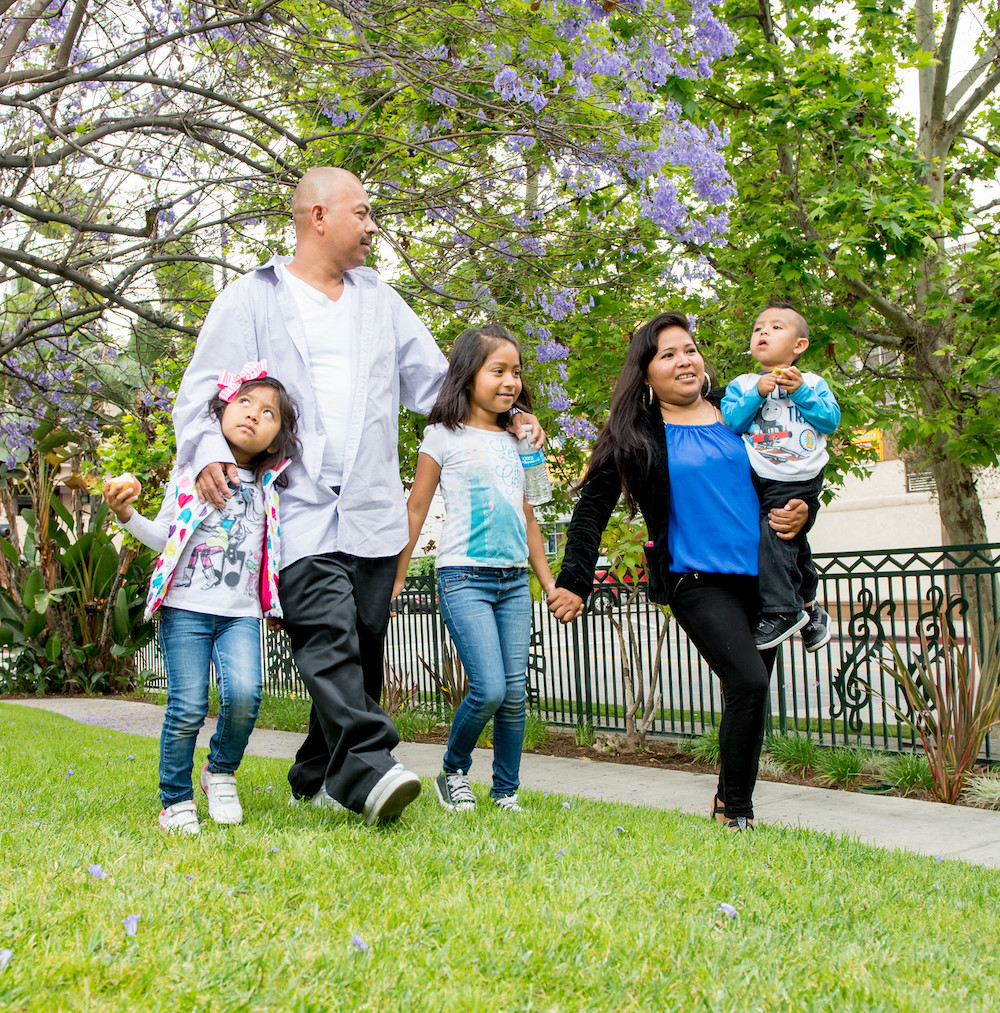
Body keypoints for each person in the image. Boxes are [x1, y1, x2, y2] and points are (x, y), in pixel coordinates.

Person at [171, 166, 544, 825]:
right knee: (327, 637)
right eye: (363, 213)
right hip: (293, 508)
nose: (373, 227)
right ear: (318, 215)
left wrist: (509, 415)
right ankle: (372, 763)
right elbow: (200, 395)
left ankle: (316, 773)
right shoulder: (249, 299)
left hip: (372, 512)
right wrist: (207, 454)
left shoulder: (382, 301)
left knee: (362, 649)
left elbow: (435, 387)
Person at [547, 312, 808, 832]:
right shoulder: (636, 432)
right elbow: (591, 510)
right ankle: (739, 813)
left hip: (764, 579)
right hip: (696, 580)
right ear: (646, 375)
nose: (684, 360)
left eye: (689, 349)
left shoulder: (742, 410)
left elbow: (791, 472)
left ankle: (725, 800)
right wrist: (574, 582)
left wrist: (803, 509)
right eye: (667, 355)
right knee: (748, 683)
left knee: (750, 696)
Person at [103, 364, 300, 835]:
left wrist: (277, 603)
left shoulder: (272, 489)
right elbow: (166, 538)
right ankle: (174, 800)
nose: (253, 414)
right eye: (245, 403)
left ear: (276, 440)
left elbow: (276, 550)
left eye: (268, 412)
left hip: (239, 615)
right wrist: (127, 514)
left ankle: (220, 770)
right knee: (188, 705)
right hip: (185, 608)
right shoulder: (191, 471)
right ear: (223, 412)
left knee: (247, 696)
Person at [394, 324, 557, 814]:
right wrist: (398, 574)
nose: (510, 381)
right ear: (468, 376)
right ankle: (453, 770)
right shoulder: (441, 435)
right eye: (498, 371)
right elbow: (416, 508)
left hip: (512, 580)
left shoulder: (521, 437)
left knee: (513, 696)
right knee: (487, 687)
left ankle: (506, 791)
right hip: (463, 575)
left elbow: (533, 511)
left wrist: (547, 582)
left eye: (516, 372)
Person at [721, 301, 840, 652]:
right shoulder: (743, 384)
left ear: (799, 345)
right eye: (759, 328)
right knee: (787, 540)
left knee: (775, 536)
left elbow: (829, 421)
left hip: (800, 474)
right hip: (762, 474)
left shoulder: (814, 382)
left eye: (775, 328)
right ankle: (808, 608)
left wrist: (800, 391)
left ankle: (782, 610)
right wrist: (757, 393)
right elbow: (732, 421)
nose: (763, 333)